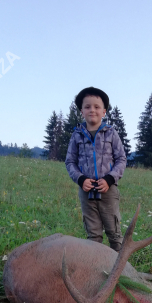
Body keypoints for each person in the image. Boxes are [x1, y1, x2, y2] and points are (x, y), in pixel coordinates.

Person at [65, 87, 127, 252]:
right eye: (87, 107)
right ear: (81, 111)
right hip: (86, 193)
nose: (92, 110)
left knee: (114, 233)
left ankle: (119, 271)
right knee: (93, 236)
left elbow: (121, 159)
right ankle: (96, 269)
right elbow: (70, 161)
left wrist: (109, 179)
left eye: (97, 107)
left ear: (104, 111)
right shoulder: (76, 136)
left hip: (108, 191)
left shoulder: (111, 134)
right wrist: (80, 179)